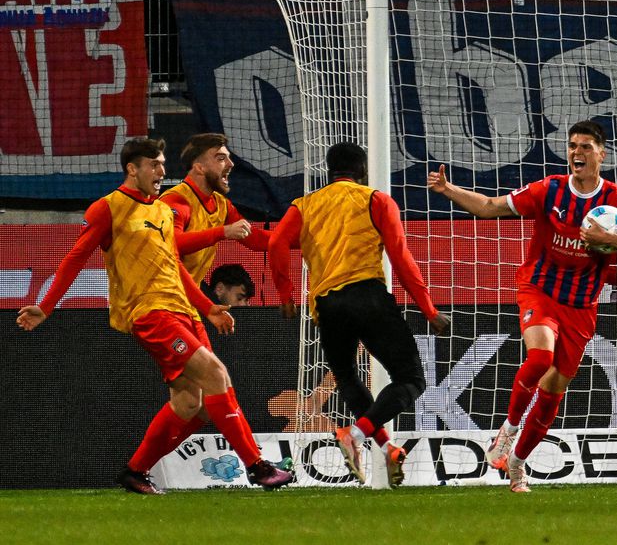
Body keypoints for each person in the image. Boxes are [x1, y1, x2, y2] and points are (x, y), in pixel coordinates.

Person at [15, 137, 293, 494]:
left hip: (182, 309)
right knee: (216, 374)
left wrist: (207, 308)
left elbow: (174, 265)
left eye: (163, 164)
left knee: (193, 404)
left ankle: (135, 471)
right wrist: (46, 304)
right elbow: (76, 257)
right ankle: (257, 467)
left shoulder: (161, 210)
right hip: (149, 311)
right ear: (133, 168)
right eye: (154, 165)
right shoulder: (108, 207)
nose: (162, 172)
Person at [427, 120, 617, 492]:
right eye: (572, 146)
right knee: (539, 358)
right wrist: (447, 189)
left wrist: (609, 238)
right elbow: (489, 207)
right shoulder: (549, 190)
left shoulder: (616, 200)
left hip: (582, 306)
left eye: (586, 147)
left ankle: (517, 463)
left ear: (602, 153)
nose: (577, 153)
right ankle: (507, 430)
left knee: (553, 392)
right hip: (540, 289)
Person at [269, 142, 451, 487]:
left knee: (348, 378)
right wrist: (428, 309)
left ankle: (386, 448)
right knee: (412, 379)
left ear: (329, 170)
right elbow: (400, 257)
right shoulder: (376, 199)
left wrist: (285, 295)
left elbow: (276, 242)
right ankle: (354, 434)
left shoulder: (305, 205)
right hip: (366, 295)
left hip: (326, 304)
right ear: (362, 171)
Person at [159, 133, 270, 286]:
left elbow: (256, 240)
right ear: (199, 168)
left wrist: (304, 237)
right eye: (221, 158)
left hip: (183, 299)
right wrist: (223, 232)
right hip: (154, 298)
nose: (231, 164)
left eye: (228, 158)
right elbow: (170, 243)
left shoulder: (221, 204)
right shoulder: (176, 200)